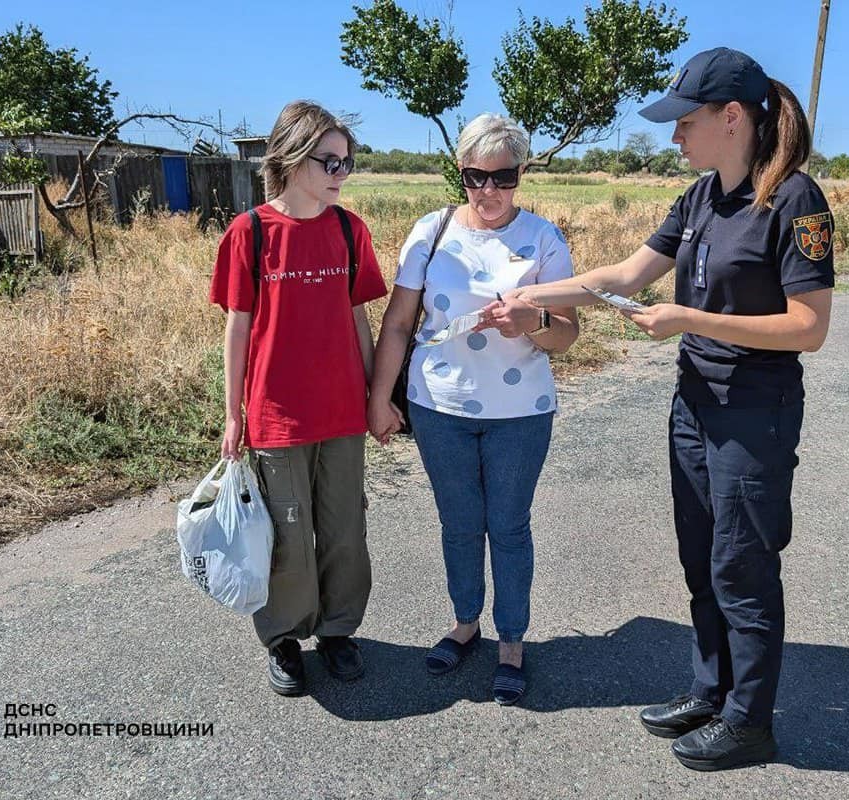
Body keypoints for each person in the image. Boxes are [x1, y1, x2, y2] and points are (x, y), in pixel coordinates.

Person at [499, 48, 834, 768]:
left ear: (732, 118)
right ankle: (710, 691)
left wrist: (690, 319)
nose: (674, 136)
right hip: (695, 405)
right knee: (702, 561)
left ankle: (750, 722)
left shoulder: (795, 200)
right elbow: (625, 275)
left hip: (755, 410)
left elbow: (810, 327)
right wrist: (537, 297)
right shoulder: (698, 198)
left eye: (686, 121)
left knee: (743, 567)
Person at [368, 113, 579, 706]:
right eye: (474, 177)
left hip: (520, 412)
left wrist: (532, 321)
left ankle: (511, 640)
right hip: (439, 406)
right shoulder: (430, 232)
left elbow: (567, 334)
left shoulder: (544, 239)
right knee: (460, 525)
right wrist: (379, 397)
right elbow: (398, 323)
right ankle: (466, 624)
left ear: (521, 173)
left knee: (508, 527)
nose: (489, 191)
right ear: (459, 173)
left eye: (503, 177)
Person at [209, 100, 388, 697]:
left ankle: (337, 631)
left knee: (343, 529)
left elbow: (359, 317)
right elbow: (238, 328)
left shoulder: (348, 229)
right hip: (275, 416)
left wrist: (377, 395)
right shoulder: (249, 231)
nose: (341, 172)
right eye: (329, 161)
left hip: (341, 412)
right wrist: (232, 415)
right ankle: (284, 637)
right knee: (286, 533)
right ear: (289, 159)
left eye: (347, 162)